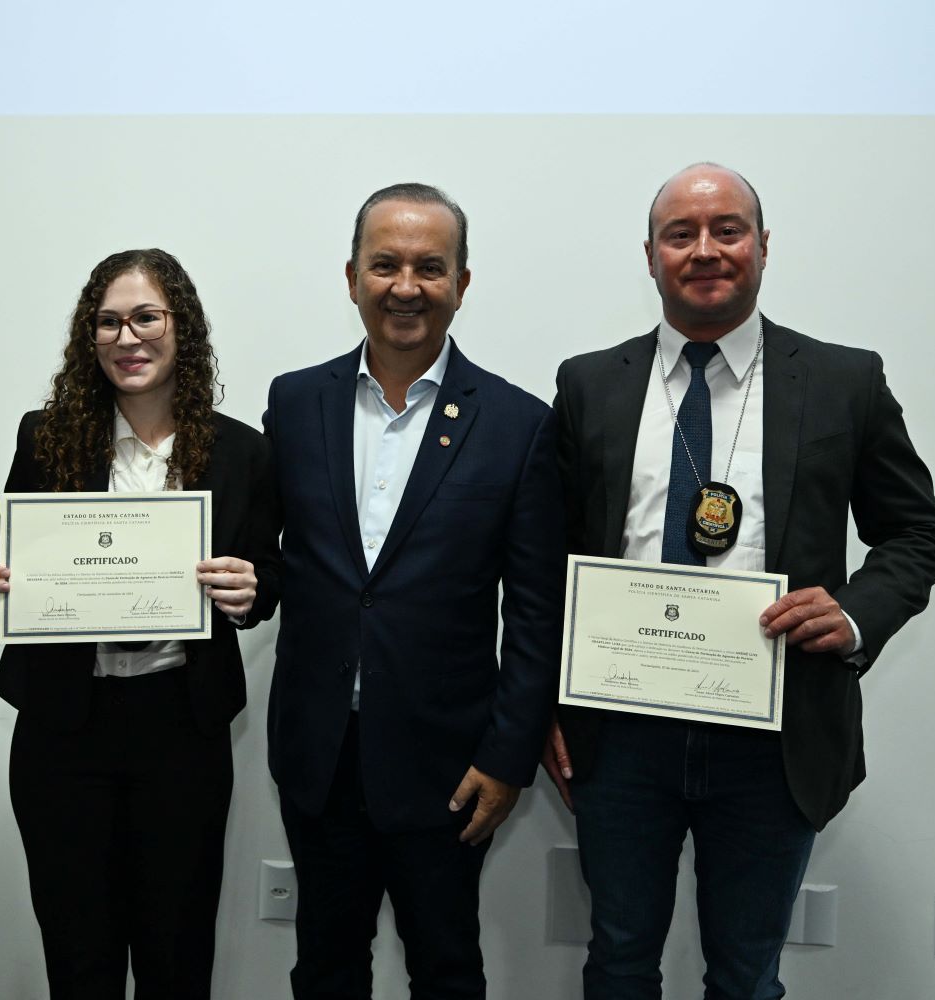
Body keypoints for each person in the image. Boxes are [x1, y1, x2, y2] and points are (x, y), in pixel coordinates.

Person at [546, 162, 935, 998]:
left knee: (746, 975)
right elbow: (546, 554)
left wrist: (852, 615)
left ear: (763, 247)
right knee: (618, 962)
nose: (705, 250)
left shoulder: (845, 380)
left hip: (775, 735)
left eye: (727, 230)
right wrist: (542, 704)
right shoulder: (589, 383)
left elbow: (918, 532)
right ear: (651, 255)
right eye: (681, 234)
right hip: (621, 731)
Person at [0, 248, 282, 1000]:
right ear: (88, 337)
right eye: (107, 321)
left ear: (181, 328)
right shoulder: (47, 436)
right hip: (66, 731)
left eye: (146, 317)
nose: (126, 337)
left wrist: (250, 587)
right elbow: (6, 565)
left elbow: (268, 576)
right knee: (79, 959)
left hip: (182, 730)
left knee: (177, 955)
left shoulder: (242, 452)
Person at [262, 183, 566, 998]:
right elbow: (265, 561)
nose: (406, 286)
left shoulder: (518, 424)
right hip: (318, 754)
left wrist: (507, 758)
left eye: (430, 267)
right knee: (324, 964)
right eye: (385, 264)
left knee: (446, 966)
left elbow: (537, 614)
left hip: (449, 766)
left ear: (462, 283)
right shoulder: (294, 403)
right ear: (352, 276)